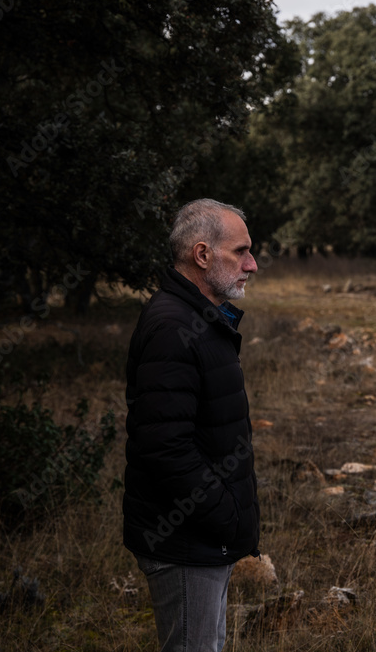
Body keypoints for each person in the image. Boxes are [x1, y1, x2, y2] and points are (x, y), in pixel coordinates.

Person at [123, 198, 260, 651]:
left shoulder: (201, 318)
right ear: (202, 255)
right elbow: (164, 447)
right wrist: (225, 517)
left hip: (203, 538)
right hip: (187, 540)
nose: (251, 264)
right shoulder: (173, 327)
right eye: (240, 251)